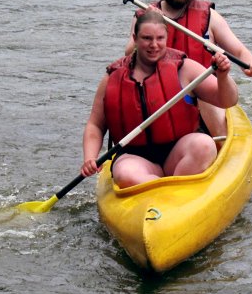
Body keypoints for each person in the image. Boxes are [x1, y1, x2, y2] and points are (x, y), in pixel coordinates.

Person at [80, 11, 238, 189]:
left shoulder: (185, 68)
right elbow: (95, 124)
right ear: (135, 38)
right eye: (147, 38)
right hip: (136, 157)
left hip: (178, 153)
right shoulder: (112, 78)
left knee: (205, 145)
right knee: (124, 174)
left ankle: (175, 190)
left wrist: (223, 77)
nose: (154, 45)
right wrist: (90, 157)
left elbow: (228, 100)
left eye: (160, 38)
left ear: (167, 37)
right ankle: (164, 189)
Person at [124, 0, 252, 135]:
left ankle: (221, 147)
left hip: (201, 93)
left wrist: (251, 64)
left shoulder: (210, 16)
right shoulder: (145, 15)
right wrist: (151, 23)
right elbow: (128, 56)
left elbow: (238, 51)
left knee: (205, 97)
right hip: (156, 92)